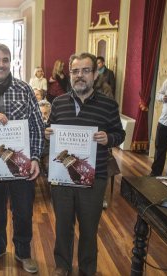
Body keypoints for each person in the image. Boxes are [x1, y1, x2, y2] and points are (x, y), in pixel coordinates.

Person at [45, 53, 125, 276]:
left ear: (95, 74)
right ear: (70, 74)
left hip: (94, 177)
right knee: (63, 226)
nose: (80, 76)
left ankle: (88, 269)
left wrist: (109, 138)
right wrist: (48, 134)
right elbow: (50, 130)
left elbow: (120, 133)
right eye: (75, 71)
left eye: (85, 71)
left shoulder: (108, 105)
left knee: (89, 228)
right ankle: (62, 266)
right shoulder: (58, 103)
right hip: (62, 177)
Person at [0, 43, 45, 274]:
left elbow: (37, 127)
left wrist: (34, 158)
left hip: (22, 166)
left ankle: (23, 252)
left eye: (5, 60)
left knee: (23, 211)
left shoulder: (24, 89)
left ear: (10, 62)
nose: (0, 64)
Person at [150, 75, 167, 176]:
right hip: (163, 123)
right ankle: (155, 173)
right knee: (160, 150)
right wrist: (164, 97)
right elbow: (158, 95)